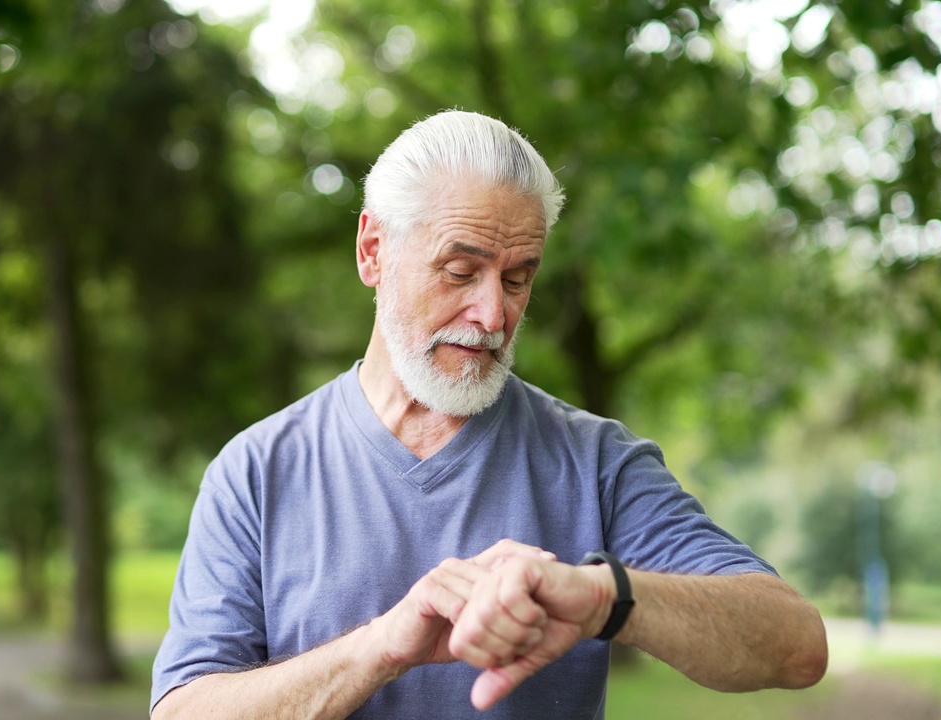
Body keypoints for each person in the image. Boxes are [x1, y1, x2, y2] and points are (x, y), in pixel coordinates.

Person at [150, 110, 828, 719]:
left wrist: (601, 598)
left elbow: (796, 646)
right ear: (372, 251)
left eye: (517, 277)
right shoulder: (258, 470)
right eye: (459, 270)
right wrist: (386, 646)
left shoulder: (596, 462)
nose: (493, 314)